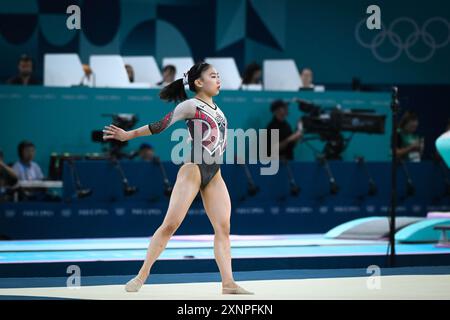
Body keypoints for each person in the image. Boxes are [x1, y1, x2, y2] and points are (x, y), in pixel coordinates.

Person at [103, 61, 253, 295]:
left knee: (223, 228)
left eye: (218, 76)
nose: (218, 79)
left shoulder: (218, 109)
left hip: (215, 173)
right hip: (193, 169)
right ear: (199, 82)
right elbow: (160, 125)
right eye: (213, 76)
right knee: (171, 225)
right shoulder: (191, 105)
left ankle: (228, 283)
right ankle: (141, 276)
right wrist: (128, 135)